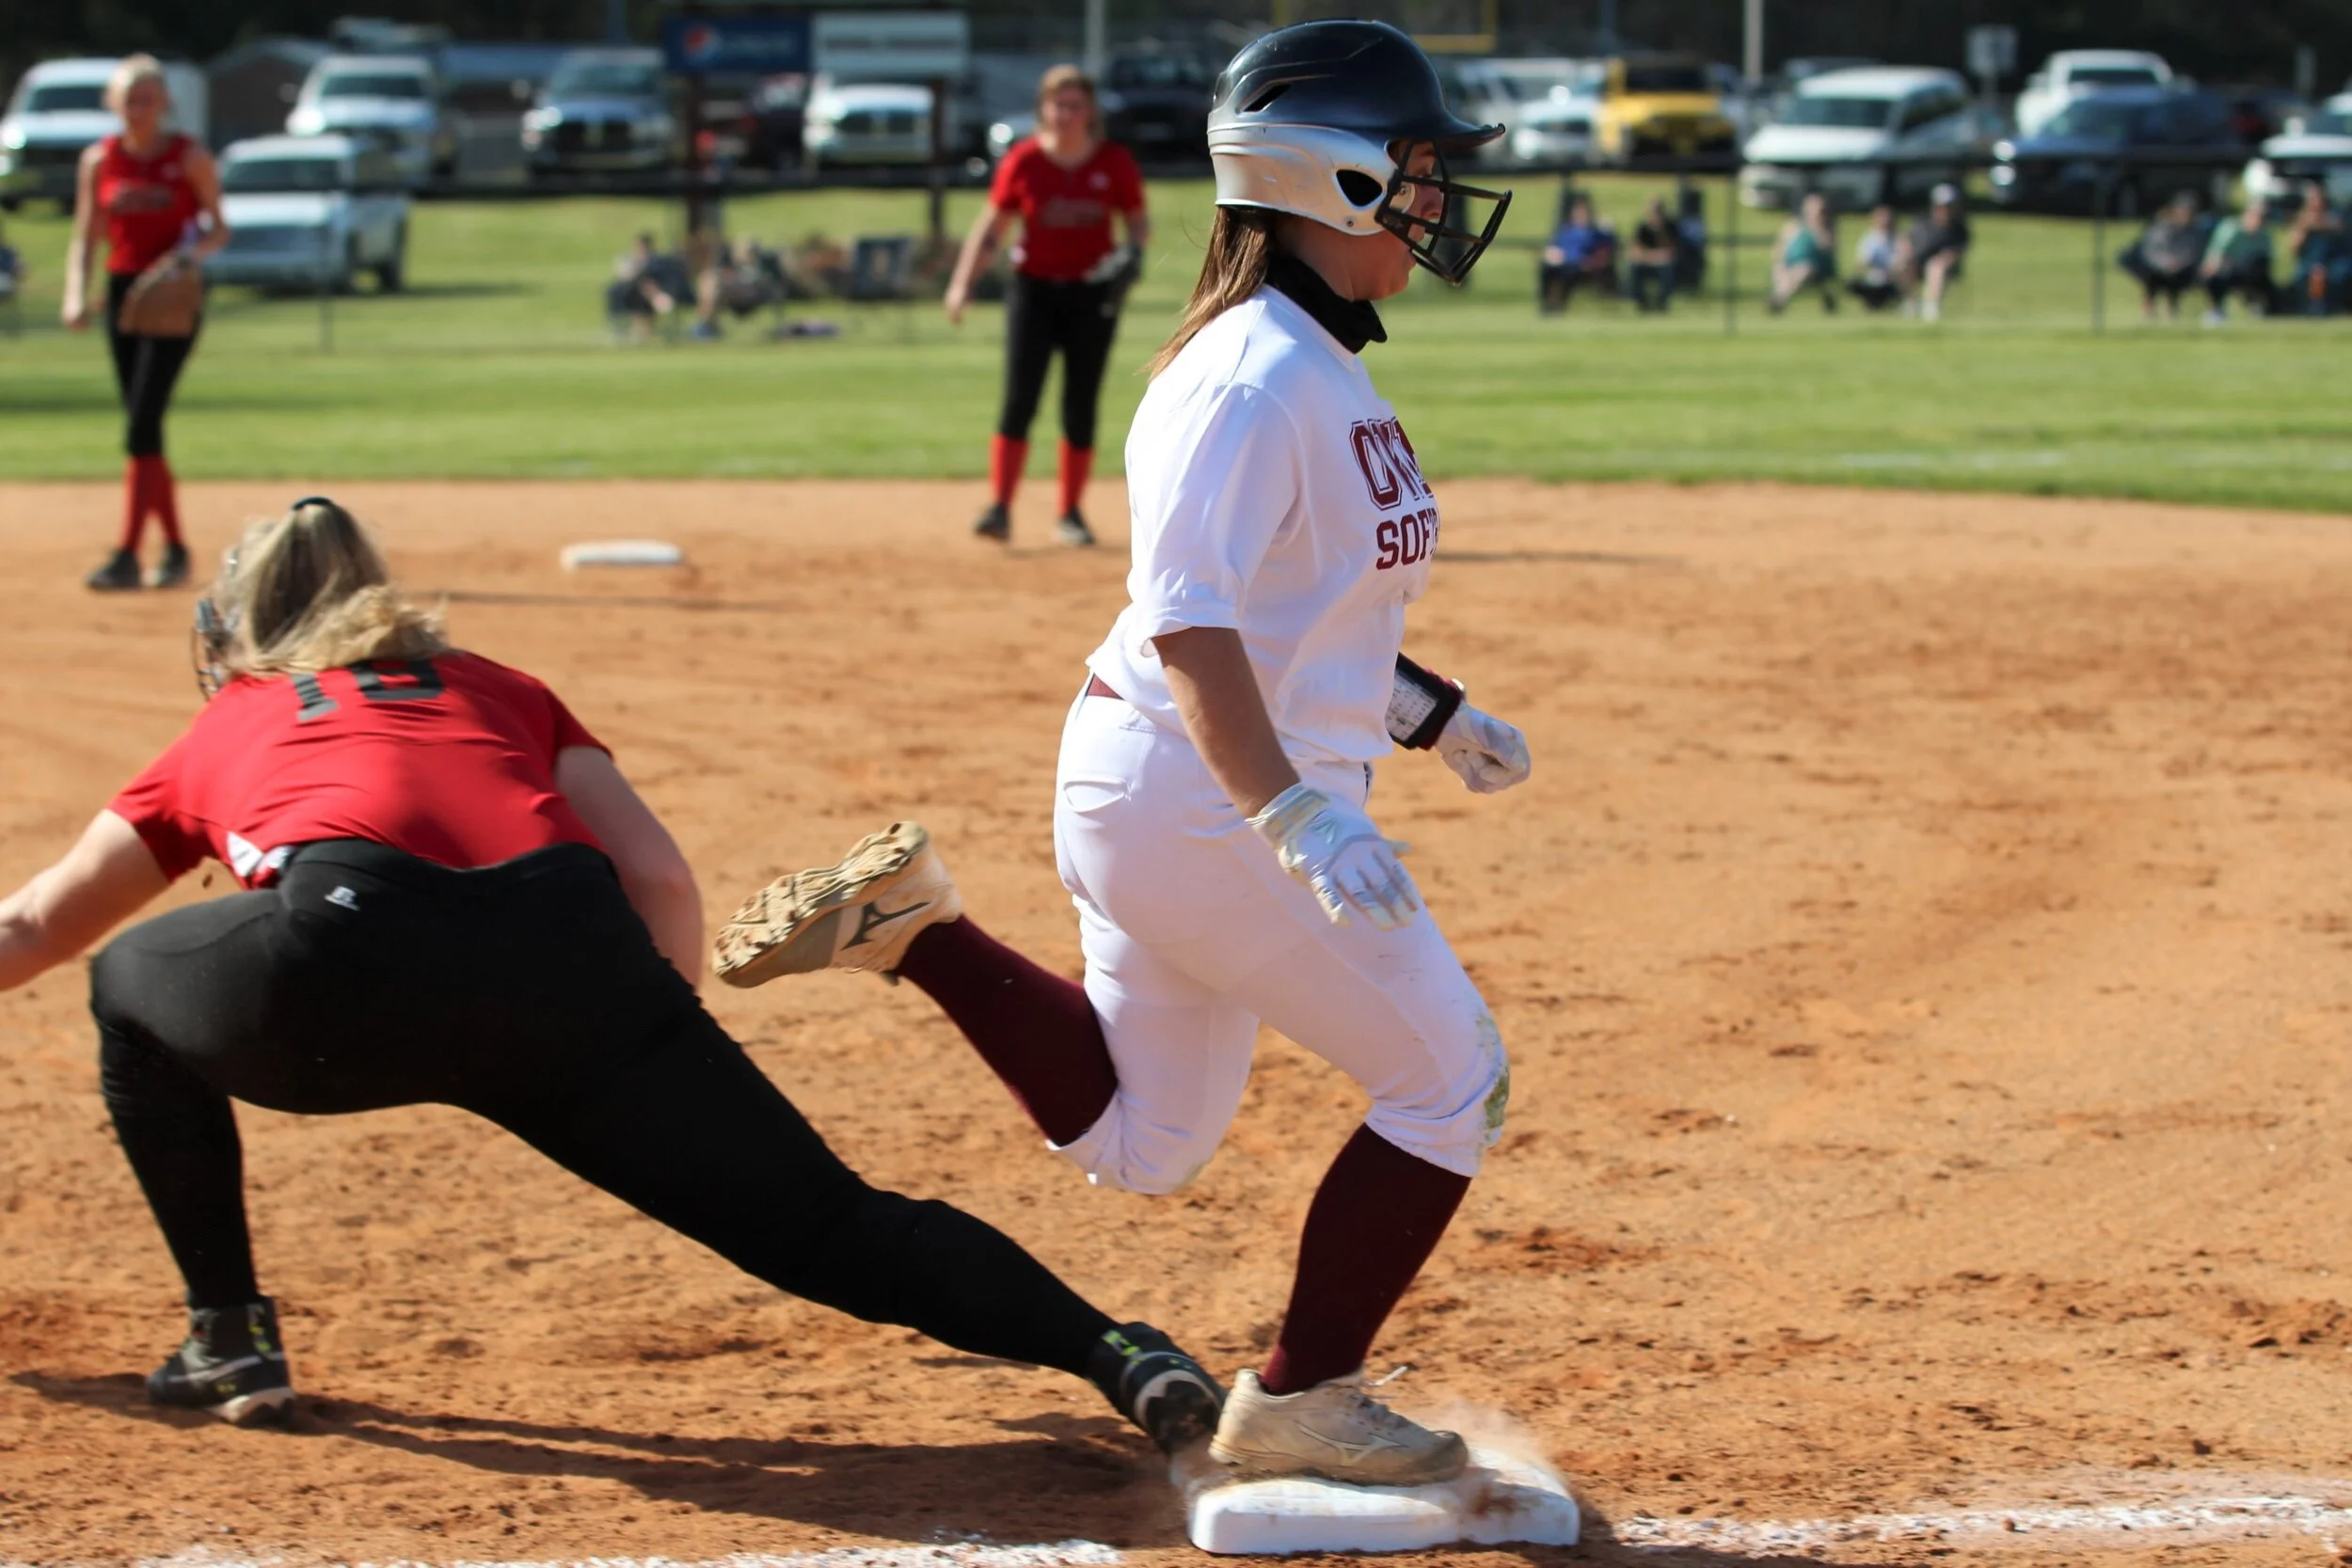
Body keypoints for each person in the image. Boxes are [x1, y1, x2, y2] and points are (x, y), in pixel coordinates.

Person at [712, 21, 1532, 1491]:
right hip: (1205, 798)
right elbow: (1190, 622)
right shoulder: (1251, 374)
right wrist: (1294, 812)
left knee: (1149, 1142)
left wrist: (1432, 715)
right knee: (1451, 1078)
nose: (1432, 198)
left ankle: (920, 931)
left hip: (1169, 787)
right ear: (1330, 178)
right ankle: (1304, 1394)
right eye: (1412, 169)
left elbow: (1300, 610)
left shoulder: (1309, 359)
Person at [0, 498, 1220, 1453]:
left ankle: (228, 1332)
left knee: (127, 983)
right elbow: (660, 877)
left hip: (344, 966)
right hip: (576, 966)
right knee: (830, 1226)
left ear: (233, 635)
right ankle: (1121, 1353)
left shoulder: (234, 717)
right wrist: (652, 1041)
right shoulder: (499, 687)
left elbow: (36, 924)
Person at [946, 65, 1149, 548]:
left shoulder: (1113, 161)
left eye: (1075, 105)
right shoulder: (1024, 161)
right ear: (1043, 109)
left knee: (1080, 404)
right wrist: (962, 282)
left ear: (1089, 111)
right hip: (1033, 292)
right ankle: (1000, 507)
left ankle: (1071, 513)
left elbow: (1137, 220)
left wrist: (1133, 254)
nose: (1065, 114)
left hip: (1092, 294)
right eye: (1057, 104)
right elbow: (993, 227)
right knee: (1020, 400)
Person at [60, 55, 228, 594]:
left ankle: (129, 553)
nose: (139, 108)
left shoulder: (189, 157)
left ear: (165, 104)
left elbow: (219, 229)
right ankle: (174, 549)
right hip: (122, 294)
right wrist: (75, 294)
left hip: (173, 295)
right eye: (130, 99)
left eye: (149, 98)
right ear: (113, 103)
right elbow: (87, 234)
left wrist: (187, 258)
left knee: (141, 424)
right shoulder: (100, 159)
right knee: (143, 426)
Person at [2118, 191, 2206, 321]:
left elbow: (2192, 251)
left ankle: (2172, 307)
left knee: (2184, 276)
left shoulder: (2194, 231)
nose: (2185, 214)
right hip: (2157, 266)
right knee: (2153, 276)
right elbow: (2152, 250)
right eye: (2183, 210)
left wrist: (2180, 263)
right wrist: (2166, 263)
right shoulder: (2161, 228)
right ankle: (2149, 305)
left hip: (2180, 267)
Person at [1899, 182, 1970, 323]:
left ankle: (1931, 307)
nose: (1945, 210)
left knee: (1936, 267)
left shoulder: (1958, 228)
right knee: (1903, 264)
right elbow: (1907, 240)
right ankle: (1911, 303)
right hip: (1918, 261)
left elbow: (1956, 252)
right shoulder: (1922, 222)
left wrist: (1944, 259)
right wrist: (1907, 254)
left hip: (1944, 265)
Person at [2199, 198, 2275, 323]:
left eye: (2263, 217)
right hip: (2228, 270)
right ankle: (2216, 309)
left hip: (2250, 273)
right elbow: (2215, 256)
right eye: (2257, 216)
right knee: (2212, 277)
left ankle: (2259, 306)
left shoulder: (2264, 234)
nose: (2260, 220)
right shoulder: (2230, 229)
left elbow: (2266, 259)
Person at [1538, 195, 1614, 312]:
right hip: (1563, 262)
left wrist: (1608, 230)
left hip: (1582, 265)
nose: (1579, 214)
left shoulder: (1594, 232)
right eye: (1577, 211)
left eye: (1582, 212)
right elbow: (1555, 246)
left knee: (1568, 272)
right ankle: (1547, 303)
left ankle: (1560, 304)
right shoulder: (1566, 230)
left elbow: (1605, 247)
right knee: (1546, 268)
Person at [1767, 191, 1837, 313]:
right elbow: (1780, 247)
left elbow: (1828, 249)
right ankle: (1779, 299)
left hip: (1815, 268)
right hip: (1790, 265)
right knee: (1782, 272)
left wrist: (1817, 229)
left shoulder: (1826, 228)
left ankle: (1778, 299)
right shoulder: (1794, 226)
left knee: (1803, 270)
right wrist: (1780, 263)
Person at [606, 231, 683, 342]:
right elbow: (624, 277)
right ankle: (640, 330)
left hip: (647, 294)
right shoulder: (630, 261)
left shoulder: (657, 262)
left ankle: (644, 330)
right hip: (632, 294)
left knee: (646, 293)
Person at [2285, 183, 2348, 316]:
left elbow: (2337, 227)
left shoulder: (2332, 217)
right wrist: (2303, 229)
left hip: (2331, 261)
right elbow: (2294, 248)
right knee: (2317, 272)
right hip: (2309, 262)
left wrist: (2314, 224)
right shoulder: (2302, 222)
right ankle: (2316, 304)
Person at [1846, 203, 1902, 311]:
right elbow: (1861, 264)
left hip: (1891, 279)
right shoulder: (1868, 239)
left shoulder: (1898, 239)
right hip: (1872, 279)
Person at [1626, 197, 1677, 312]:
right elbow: (1634, 253)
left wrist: (1647, 255)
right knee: (1634, 268)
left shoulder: (1670, 228)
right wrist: (1655, 256)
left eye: (1658, 212)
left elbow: (1670, 253)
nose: (1655, 215)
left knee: (1668, 270)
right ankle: (1642, 304)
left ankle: (1662, 304)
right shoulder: (1642, 228)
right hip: (1647, 264)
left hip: (1663, 266)